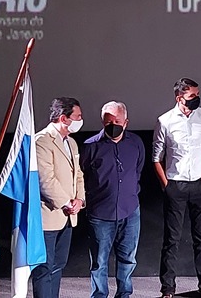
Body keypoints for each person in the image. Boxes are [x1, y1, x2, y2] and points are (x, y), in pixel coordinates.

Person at [154, 78, 201, 298]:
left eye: (197, 95)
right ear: (179, 98)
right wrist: (166, 185)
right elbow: (157, 157)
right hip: (176, 185)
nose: (196, 99)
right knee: (171, 240)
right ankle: (168, 288)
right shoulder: (165, 121)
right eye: (192, 96)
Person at [81, 101, 145, 298]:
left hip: (130, 211)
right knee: (99, 262)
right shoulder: (90, 146)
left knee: (128, 259)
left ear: (126, 122)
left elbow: (138, 170)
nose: (113, 125)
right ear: (103, 122)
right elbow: (82, 176)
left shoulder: (135, 143)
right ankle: (99, 295)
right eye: (109, 122)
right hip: (100, 214)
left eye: (117, 121)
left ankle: (124, 294)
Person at [33, 97, 86, 298]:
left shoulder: (71, 143)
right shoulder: (42, 141)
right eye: (77, 117)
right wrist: (66, 203)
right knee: (44, 268)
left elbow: (78, 174)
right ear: (64, 118)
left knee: (58, 265)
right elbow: (45, 179)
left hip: (68, 216)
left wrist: (79, 200)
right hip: (49, 216)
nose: (81, 120)